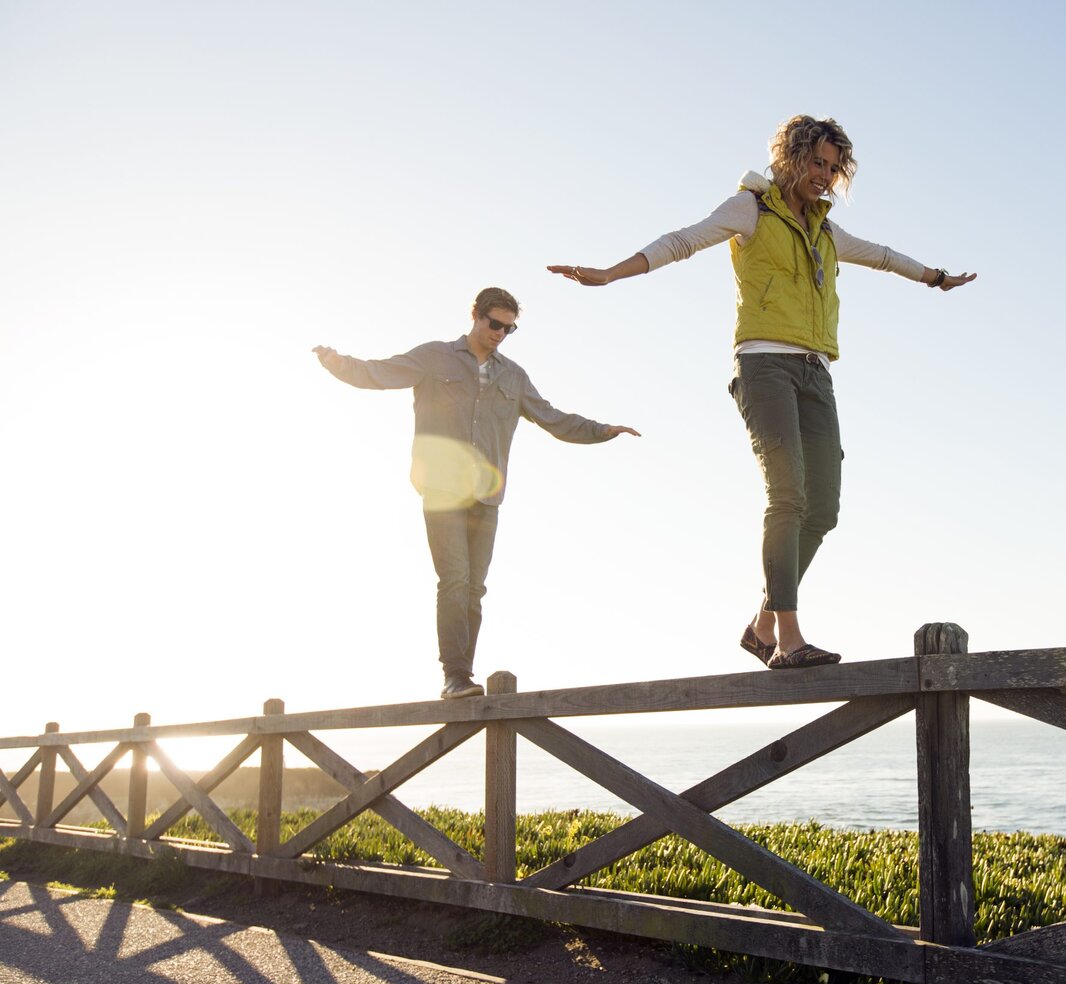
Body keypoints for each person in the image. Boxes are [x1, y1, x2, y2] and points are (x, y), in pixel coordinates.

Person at [549, 115, 974, 670]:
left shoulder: (826, 231)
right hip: (763, 366)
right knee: (788, 497)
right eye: (815, 163)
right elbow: (683, 241)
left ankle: (762, 623)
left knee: (822, 509)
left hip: (816, 371)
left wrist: (934, 277)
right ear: (790, 158)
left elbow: (885, 255)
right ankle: (787, 641)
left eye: (832, 166)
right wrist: (610, 273)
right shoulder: (750, 208)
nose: (823, 176)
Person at [313, 287, 639, 699]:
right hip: (442, 488)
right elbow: (379, 373)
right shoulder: (435, 357)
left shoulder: (514, 376)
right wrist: (338, 363)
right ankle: (455, 676)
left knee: (474, 588)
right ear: (476, 315)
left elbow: (553, 419)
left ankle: (463, 676)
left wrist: (602, 431)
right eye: (495, 324)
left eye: (509, 328)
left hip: (487, 497)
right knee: (454, 579)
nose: (500, 333)